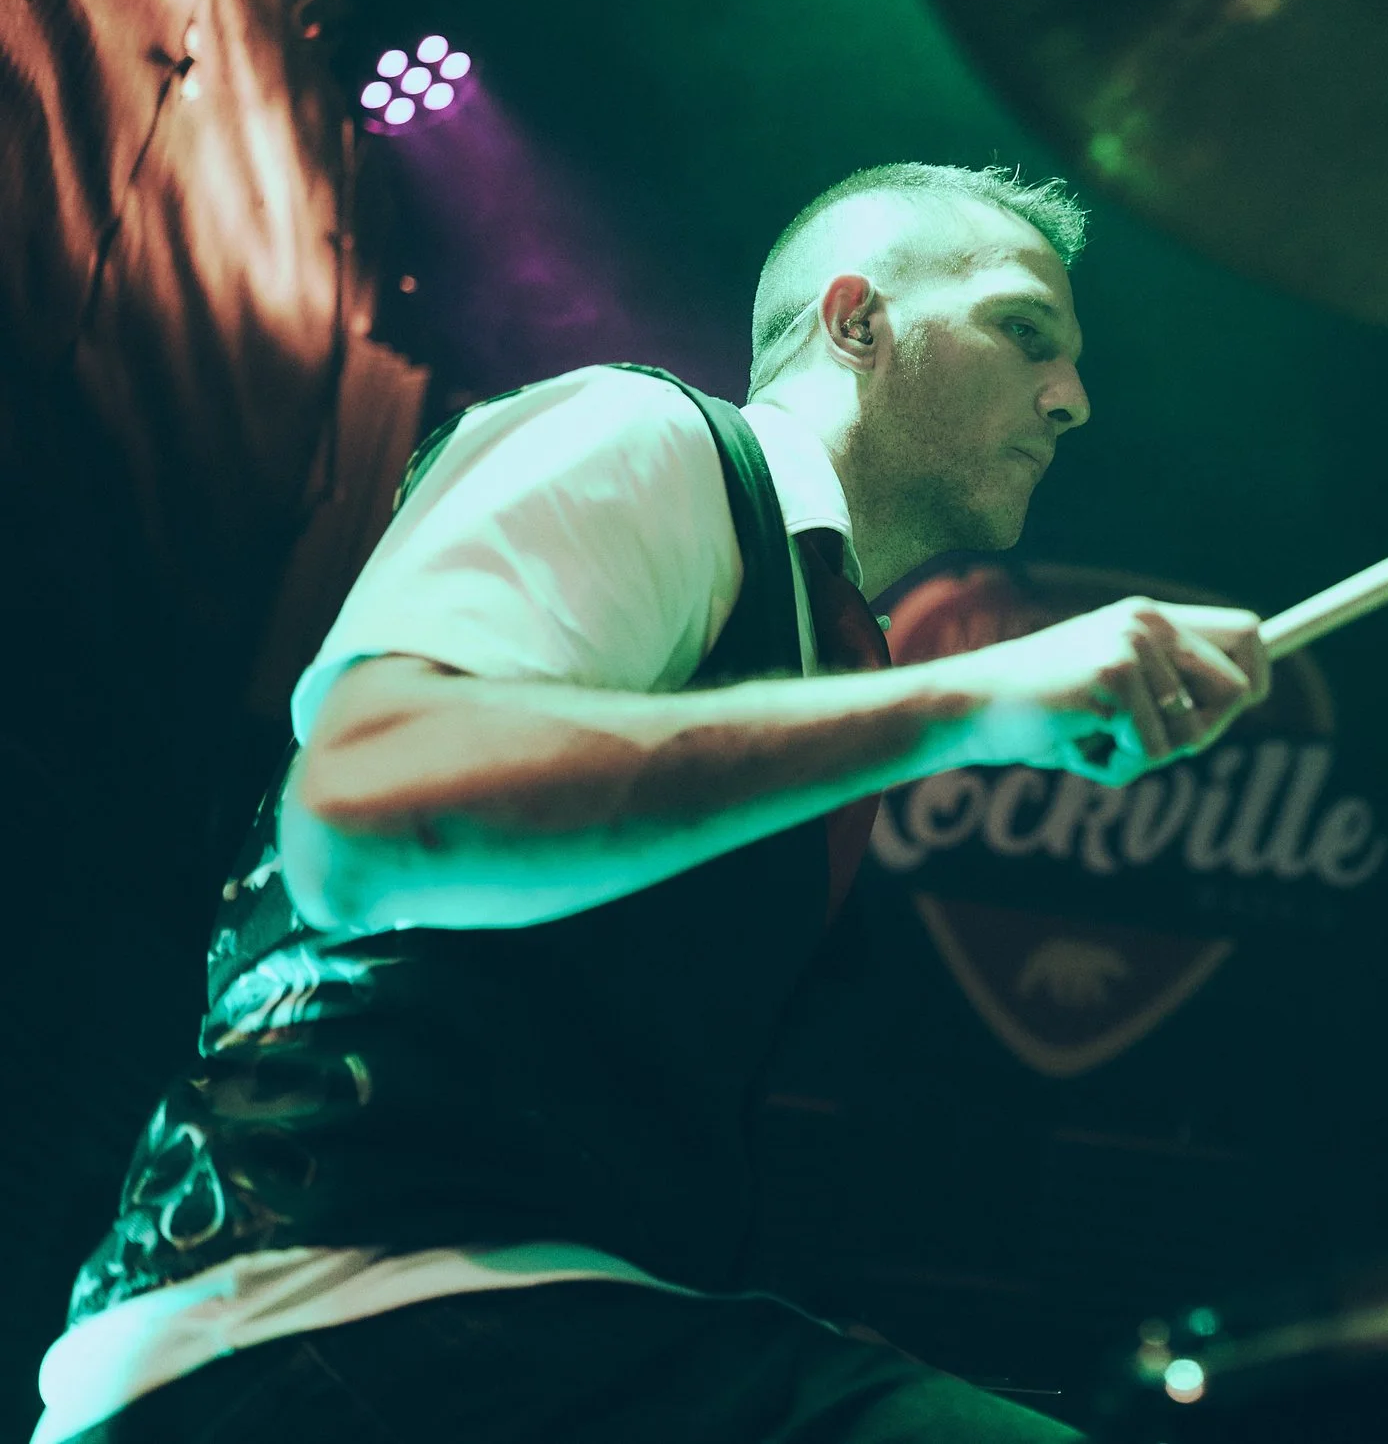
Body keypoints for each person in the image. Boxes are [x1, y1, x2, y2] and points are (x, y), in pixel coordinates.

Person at [35, 163, 1269, 1443]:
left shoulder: (820, 638)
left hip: (534, 1342)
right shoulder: (642, 434)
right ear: (855, 321)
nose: (1070, 400)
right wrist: (978, 700)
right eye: (1026, 334)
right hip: (319, 1334)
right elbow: (365, 803)